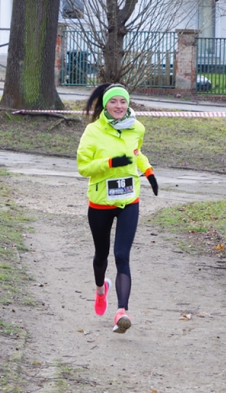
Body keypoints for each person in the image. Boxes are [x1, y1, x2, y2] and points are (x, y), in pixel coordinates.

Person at [76, 83, 158, 334]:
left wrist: (148, 172)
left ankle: (122, 312)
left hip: (129, 199)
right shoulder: (93, 131)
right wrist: (110, 163)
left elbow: (136, 152)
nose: (119, 106)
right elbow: (83, 167)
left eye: (123, 101)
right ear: (105, 104)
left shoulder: (137, 127)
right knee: (101, 254)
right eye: (114, 102)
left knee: (122, 255)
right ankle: (101, 290)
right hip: (100, 201)